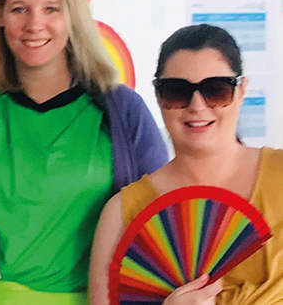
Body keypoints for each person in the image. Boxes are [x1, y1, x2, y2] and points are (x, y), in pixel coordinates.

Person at [0, 0, 168, 303]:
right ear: (0, 17)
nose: (34, 24)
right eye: (19, 9)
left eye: (51, 8)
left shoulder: (123, 113)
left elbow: (161, 230)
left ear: (74, 16)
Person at [89, 24, 283, 304]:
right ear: (158, 97)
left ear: (241, 91)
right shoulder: (121, 215)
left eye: (215, 90)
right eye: (177, 91)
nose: (197, 105)